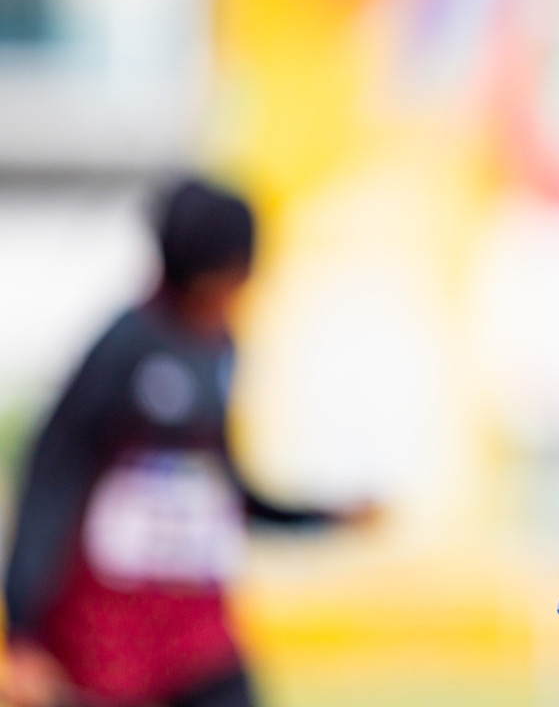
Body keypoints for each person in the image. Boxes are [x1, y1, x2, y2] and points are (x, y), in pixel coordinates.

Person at [1, 178, 370, 707]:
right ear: (212, 271)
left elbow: (223, 487)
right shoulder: (123, 348)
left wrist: (323, 516)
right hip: (108, 636)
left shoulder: (222, 350)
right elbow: (51, 479)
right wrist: (24, 635)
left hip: (197, 629)